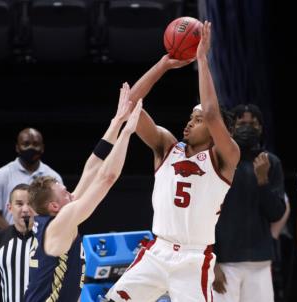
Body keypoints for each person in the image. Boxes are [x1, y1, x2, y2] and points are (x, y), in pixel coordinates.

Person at [105, 21, 240, 302]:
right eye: (191, 117)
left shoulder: (225, 158)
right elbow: (129, 105)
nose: (190, 123)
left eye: (198, 120)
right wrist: (164, 65)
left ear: (216, 133)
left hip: (193, 259)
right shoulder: (167, 147)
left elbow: (214, 113)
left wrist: (202, 59)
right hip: (157, 251)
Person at [24, 83, 142, 302]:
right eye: (65, 192)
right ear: (54, 206)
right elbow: (107, 178)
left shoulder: (57, 218)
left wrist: (116, 122)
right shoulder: (61, 221)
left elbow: (93, 166)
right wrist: (127, 133)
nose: (71, 193)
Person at [211, 104, 287, 302]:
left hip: (260, 262)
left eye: (253, 123)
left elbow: (277, 214)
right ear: (231, 128)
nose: (248, 127)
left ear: (261, 128)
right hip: (225, 261)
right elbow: (204, 214)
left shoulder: (271, 162)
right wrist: (213, 260)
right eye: (242, 123)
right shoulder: (217, 161)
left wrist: (263, 181)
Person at [0, 127, 63, 230]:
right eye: (26, 144)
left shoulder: (53, 177)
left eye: (35, 144)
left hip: (44, 240)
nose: (31, 148)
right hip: (7, 240)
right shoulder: (1, 175)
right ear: (17, 147)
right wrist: (15, 236)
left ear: (42, 147)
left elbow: (60, 213)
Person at [0, 183, 34, 302]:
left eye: (30, 204)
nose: (25, 209)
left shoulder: (48, 237)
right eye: (19, 204)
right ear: (10, 208)